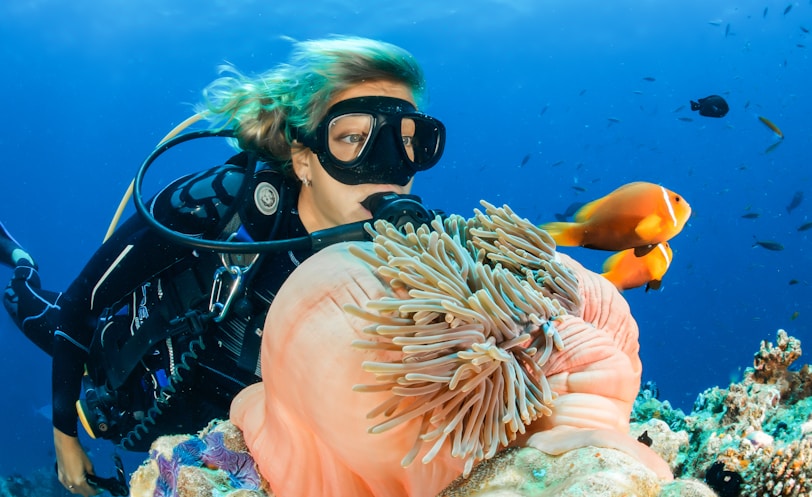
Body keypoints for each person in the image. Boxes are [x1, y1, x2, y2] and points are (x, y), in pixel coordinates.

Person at [0, 36, 446, 496]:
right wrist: (64, 439)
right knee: (34, 309)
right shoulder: (216, 206)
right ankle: (18, 259)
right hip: (121, 367)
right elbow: (80, 303)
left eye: (409, 142)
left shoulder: (411, 253)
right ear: (303, 157)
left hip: (230, 431)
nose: (391, 167)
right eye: (354, 138)